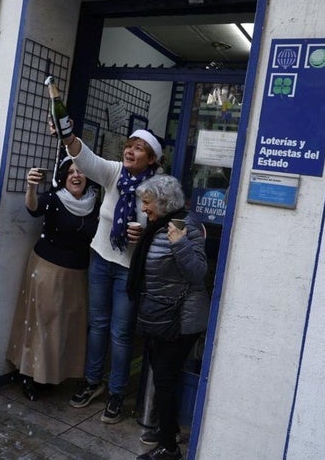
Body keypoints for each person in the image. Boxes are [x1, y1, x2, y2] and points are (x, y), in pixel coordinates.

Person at [59, 126, 163, 424]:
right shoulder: (115, 173)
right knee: (98, 325)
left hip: (129, 269)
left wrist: (144, 233)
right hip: (101, 258)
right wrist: (68, 135)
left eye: (139, 148)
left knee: (120, 333)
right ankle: (93, 382)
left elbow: (164, 225)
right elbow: (86, 157)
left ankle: (117, 392)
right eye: (129, 145)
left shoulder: (160, 186)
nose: (130, 151)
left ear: (152, 158)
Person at [128, 175, 208, 460]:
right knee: (163, 375)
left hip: (181, 318)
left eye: (147, 202)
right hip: (160, 314)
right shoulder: (157, 226)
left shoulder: (185, 226)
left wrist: (180, 245)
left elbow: (198, 273)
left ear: (163, 202)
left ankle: (169, 448)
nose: (144, 208)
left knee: (163, 378)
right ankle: (169, 431)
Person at [6, 158, 99, 401]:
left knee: (65, 327)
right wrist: (31, 188)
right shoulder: (55, 198)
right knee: (41, 324)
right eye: (70, 172)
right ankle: (28, 374)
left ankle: (51, 375)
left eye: (80, 171)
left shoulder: (94, 204)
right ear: (63, 176)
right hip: (48, 268)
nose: (76, 176)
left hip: (77, 274)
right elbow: (34, 207)